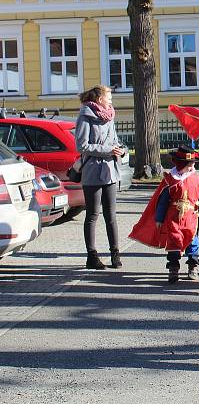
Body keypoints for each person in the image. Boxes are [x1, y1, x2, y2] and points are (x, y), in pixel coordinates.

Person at [129, 146, 199, 283]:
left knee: (192, 241)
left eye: (193, 165)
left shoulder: (197, 179)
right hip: (173, 219)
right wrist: (159, 218)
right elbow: (162, 202)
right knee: (173, 242)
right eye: (189, 165)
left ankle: (192, 266)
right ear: (180, 164)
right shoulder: (170, 180)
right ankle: (173, 268)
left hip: (191, 218)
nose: (191, 167)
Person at [74, 85, 125, 270]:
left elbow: (115, 141)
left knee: (111, 215)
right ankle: (92, 256)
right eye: (109, 96)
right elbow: (82, 146)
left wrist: (121, 150)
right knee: (93, 215)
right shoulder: (85, 116)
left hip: (110, 171)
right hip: (93, 172)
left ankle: (115, 253)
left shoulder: (110, 115)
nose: (111, 100)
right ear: (99, 99)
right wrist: (107, 151)